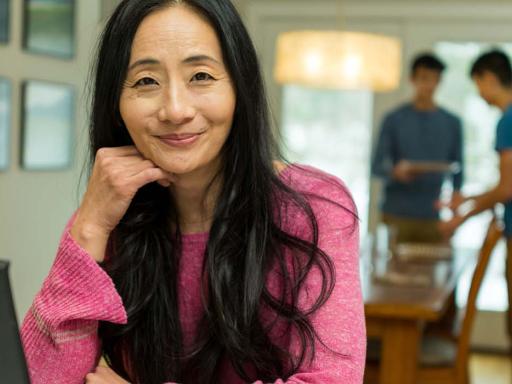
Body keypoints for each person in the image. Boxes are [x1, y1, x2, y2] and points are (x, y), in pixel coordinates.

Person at [19, 1, 366, 383]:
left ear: (239, 89)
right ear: (116, 105)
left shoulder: (315, 207)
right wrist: (87, 229)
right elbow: (37, 378)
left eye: (200, 75)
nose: (175, 109)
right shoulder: (105, 221)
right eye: (146, 81)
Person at [440, 49, 512, 337]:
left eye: (478, 83)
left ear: (489, 78)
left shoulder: (507, 121)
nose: (480, 93)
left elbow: (507, 188)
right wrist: (467, 199)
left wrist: (460, 219)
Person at [372, 53, 464, 244]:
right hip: (396, 214)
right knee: (391, 270)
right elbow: (376, 167)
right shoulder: (394, 119)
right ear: (412, 80)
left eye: (434, 79)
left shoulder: (452, 123)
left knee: (433, 271)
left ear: (439, 81)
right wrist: (395, 173)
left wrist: (455, 213)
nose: (428, 85)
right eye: (423, 78)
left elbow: (459, 171)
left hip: (433, 215)